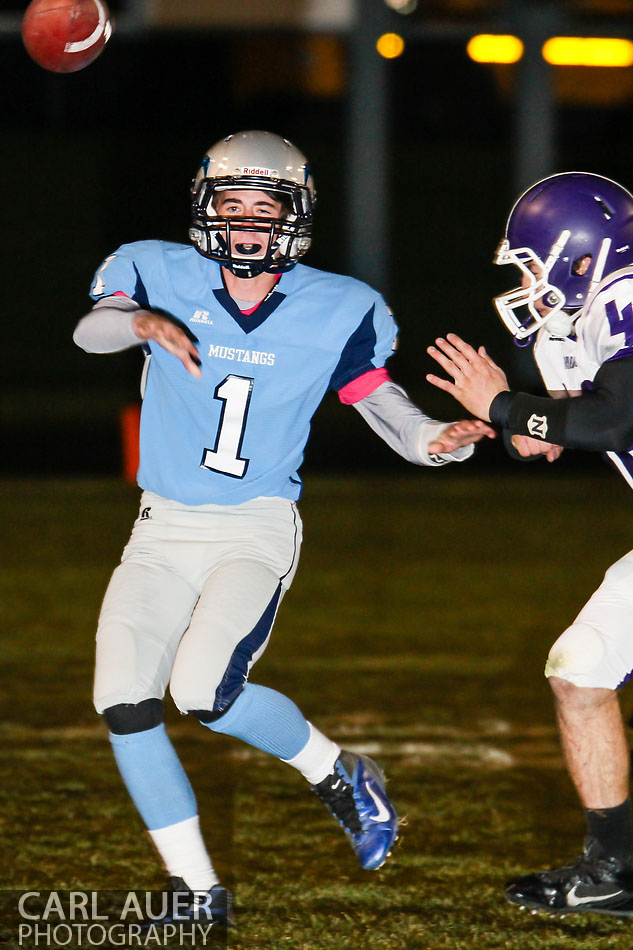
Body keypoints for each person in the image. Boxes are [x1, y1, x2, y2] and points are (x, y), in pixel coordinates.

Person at [74, 130, 494, 926]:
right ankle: (199, 896)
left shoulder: (341, 305)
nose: (245, 222)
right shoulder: (153, 268)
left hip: (252, 527)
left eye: (263, 206)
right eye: (229, 204)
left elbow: (381, 404)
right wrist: (142, 326)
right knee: (123, 697)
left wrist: (432, 441)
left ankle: (337, 771)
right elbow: (90, 328)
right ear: (205, 210)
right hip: (159, 527)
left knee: (201, 690)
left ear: (293, 215)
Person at [425, 171, 633, 919]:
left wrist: (509, 406)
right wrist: (515, 426)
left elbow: (614, 425)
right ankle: (612, 871)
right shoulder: (576, 323)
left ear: (582, 257)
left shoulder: (627, 296)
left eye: (532, 264)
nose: (526, 282)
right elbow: (563, 429)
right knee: (579, 673)